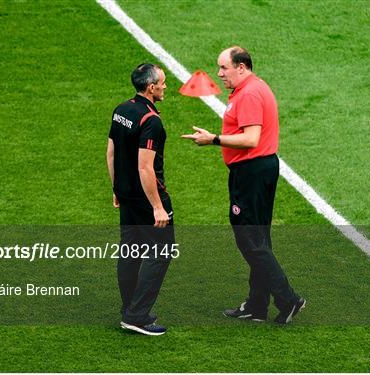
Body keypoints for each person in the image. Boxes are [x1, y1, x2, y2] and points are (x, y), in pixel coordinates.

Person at [182, 47, 306, 324]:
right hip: (259, 169)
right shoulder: (252, 88)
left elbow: (251, 138)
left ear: (241, 67)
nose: (219, 73)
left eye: (224, 67)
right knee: (259, 239)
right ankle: (256, 305)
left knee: (250, 240)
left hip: (251, 172)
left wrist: (213, 139)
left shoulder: (249, 93)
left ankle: (288, 299)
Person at [107, 63, 174, 336]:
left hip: (126, 195)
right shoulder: (151, 121)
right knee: (161, 252)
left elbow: (110, 152)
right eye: (162, 82)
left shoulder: (121, 109)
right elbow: (145, 167)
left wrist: (116, 188)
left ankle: (128, 309)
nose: (165, 86)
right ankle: (137, 315)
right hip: (147, 198)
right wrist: (158, 207)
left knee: (131, 250)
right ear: (151, 87)